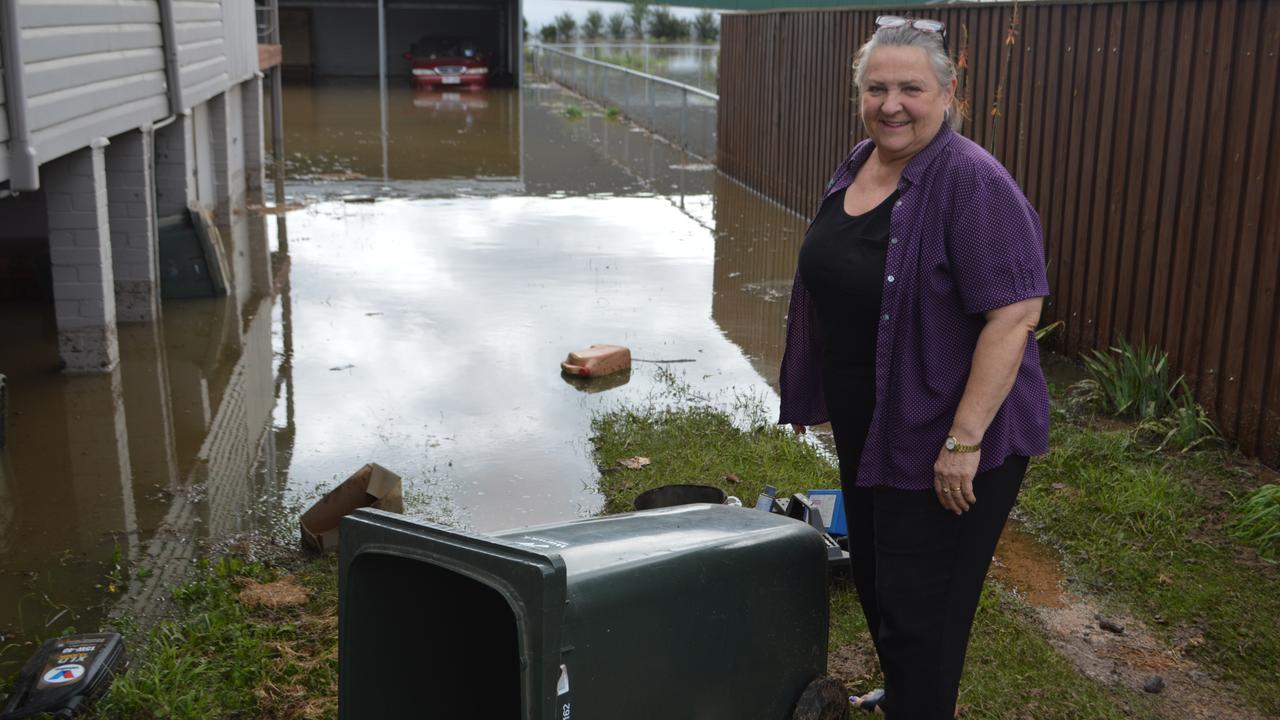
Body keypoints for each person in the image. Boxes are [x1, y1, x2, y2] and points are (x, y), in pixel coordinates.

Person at [777, 15, 1051, 719]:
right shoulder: (861, 161)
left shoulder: (972, 183)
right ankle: (908, 692)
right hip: (876, 426)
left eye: (910, 89)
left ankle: (920, 700)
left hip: (947, 436)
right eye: (876, 88)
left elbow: (1014, 314)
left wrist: (963, 442)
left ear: (948, 91)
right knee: (876, 580)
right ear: (859, 93)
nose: (891, 104)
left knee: (921, 612)